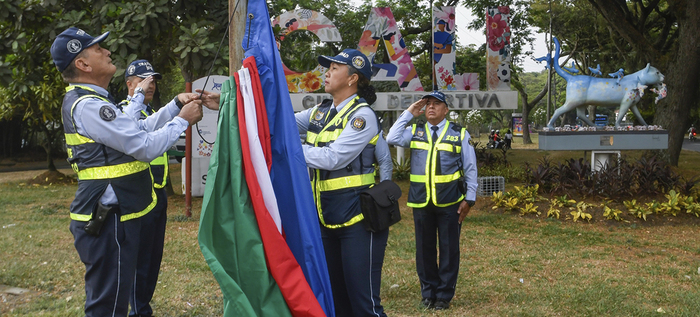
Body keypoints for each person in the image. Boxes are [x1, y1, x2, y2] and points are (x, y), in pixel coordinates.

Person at [50, 27, 210, 317]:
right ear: (83, 64)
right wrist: (182, 122)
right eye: (98, 49)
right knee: (108, 307)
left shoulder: (95, 102)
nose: (108, 51)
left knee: (115, 298)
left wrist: (176, 106)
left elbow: (135, 129)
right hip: (107, 218)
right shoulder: (88, 105)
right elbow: (145, 147)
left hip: (117, 213)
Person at [295, 48, 389, 317]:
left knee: (364, 304)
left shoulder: (362, 117)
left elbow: (333, 158)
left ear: (352, 79)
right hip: (325, 219)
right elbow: (279, 124)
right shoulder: (319, 112)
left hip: (359, 221)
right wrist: (232, 103)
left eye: (335, 68)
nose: (327, 72)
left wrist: (291, 150)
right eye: (329, 67)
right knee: (336, 301)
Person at [386, 91, 478, 311]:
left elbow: (471, 167)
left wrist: (470, 198)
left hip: (450, 202)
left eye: (437, 104)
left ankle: (444, 296)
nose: (431, 107)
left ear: (446, 110)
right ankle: (428, 293)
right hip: (421, 201)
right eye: (428, 104)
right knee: (424, 250)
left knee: (449, 249)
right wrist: (409, 113)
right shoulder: (415, 131)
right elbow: (391, 138)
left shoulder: (459, 133)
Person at [118, 59, 169, 317]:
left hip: (158, 192)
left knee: (153, 256)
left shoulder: (151, 113)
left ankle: (143, 305)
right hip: (140, 195)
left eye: (153, 80)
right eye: (144, 80)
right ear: (130, 84)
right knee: (140, 259)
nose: (151, 85)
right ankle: (139, 310)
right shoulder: (123, 112)